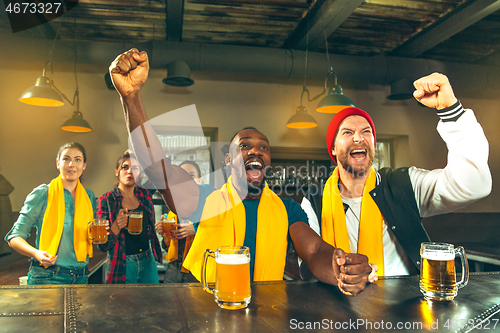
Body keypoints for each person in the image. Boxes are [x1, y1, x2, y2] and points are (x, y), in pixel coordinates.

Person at [109, 48, 375, 296]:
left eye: (264, 148)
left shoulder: (288, 209)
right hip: (205, 313)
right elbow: (158, 168)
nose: (255, 152)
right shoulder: (205, 198)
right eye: (244, 146)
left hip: (266, 314)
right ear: (228, 159)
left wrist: (340, 269)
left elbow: (315, 250)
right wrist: (131, 97)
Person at [313, 72, 492, 277]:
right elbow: (312, 259)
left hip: (406, 303)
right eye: (347, 132)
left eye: (366, 131)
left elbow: (473, 184)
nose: (358, 138)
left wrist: (449, 109)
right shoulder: (314, 199)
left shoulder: (403, 184)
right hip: (338, 302)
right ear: (333, 149)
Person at [5, 142, 96, 285]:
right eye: (66, 159)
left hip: (81, 277)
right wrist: (36, 253)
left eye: (77, 159)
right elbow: (14, 237)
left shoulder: (89, 197)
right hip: (47, 276)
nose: (72, 164)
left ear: (84, 165)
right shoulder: (42, 193)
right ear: (58, 163)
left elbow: (90, 236)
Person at [97, 152, 163, 284]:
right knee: (122, 304)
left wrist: (140, 152)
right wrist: (116, 225)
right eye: (125, 167)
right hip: (121, 263)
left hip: (147, 260)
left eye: (136, 168)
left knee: (152, 303)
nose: (130, 172)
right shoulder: (107, 199)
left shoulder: (144, 194)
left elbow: (161, 170)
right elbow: (102, 245)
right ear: (117, 172)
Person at [155, 161, 206, 283]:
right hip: (173, 270)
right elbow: (168, 247)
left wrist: (196, 229)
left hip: (197, 271)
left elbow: (219, 235)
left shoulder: (210, 205)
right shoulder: (173, 210)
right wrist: (166, 235)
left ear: (199, 181)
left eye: (191, 176)